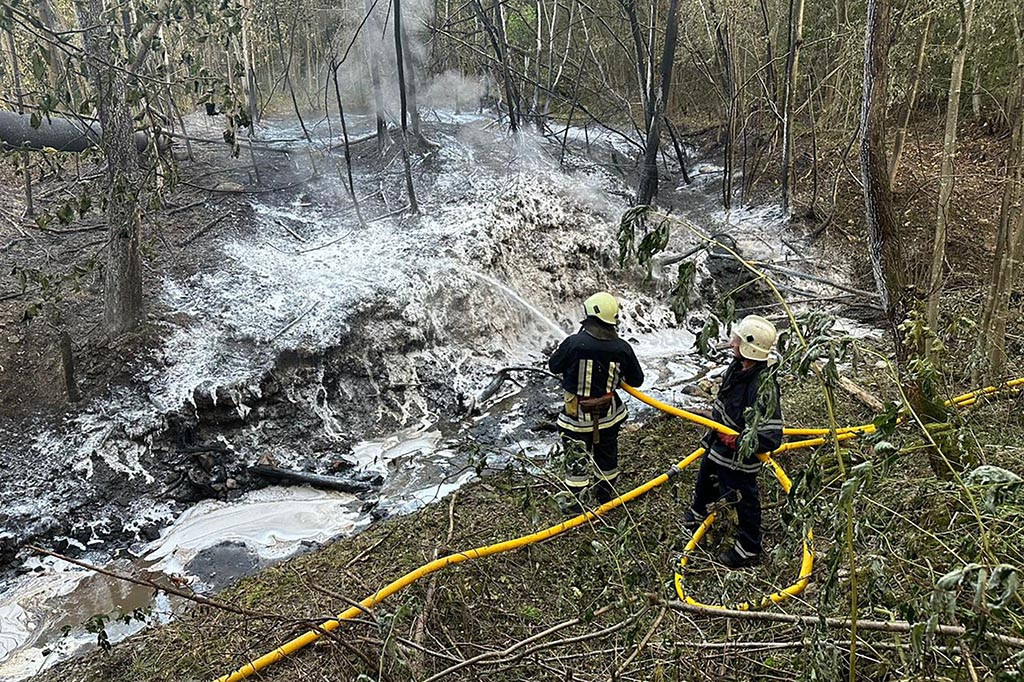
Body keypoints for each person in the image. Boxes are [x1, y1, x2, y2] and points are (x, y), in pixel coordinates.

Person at [681, 314, 783, 568]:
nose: (732, 341)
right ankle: (698, 513)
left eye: (736, 339)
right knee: (706, 476)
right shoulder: (737, 369)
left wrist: (737, 440)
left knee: (742, 499)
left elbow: (771, 435)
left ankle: (748, 548)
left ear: (748, 346)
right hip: (719, 447)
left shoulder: (763, 386)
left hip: (740, 459)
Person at [548, 292, 644, 509]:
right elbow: (636, 380)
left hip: (576, 419)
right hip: (609, 417)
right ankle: (605, 497)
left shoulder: (574, 344)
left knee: (576, 460)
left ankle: (575, 506)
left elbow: (554, 366)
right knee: (607, 456)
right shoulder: (622, 348)